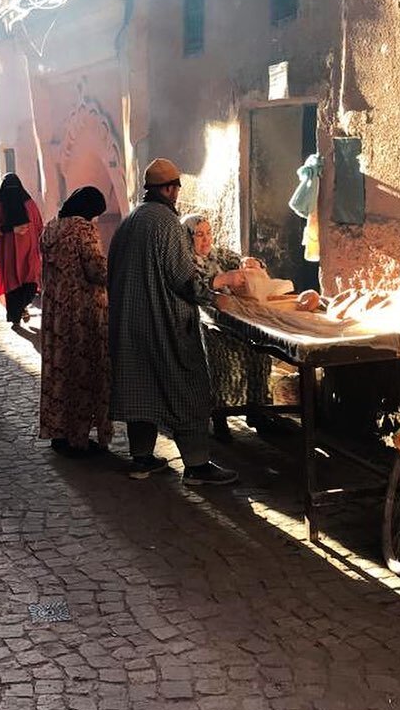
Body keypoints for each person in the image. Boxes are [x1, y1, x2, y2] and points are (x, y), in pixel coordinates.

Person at [107, 158, 238, 486]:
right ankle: (197, 466)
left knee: (141, 391)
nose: (177, 194)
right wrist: (213, 296)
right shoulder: (166, 222)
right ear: (169, 189)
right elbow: (182, 278)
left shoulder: (129, 221)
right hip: (164, 325)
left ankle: (142, 460)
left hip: (129, 326)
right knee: (188, 389)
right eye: (176, 188)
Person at [181, 214, 272, 443]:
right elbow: (193, 289)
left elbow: (240, 261)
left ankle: (257, 411)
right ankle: (220, 419)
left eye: (208, 233)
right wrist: (221, 281)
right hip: (206, 322)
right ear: (188, 237)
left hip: (233, 316)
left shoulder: (218, 254)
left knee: (259, 352)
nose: (205, 240)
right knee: (219, 360)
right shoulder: (183, 261)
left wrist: (251, 263)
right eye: (199, 235)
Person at [39, 186, 111, 458]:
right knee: (81, 371)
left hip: (55, 311)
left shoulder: (51, 228)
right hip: (81, 312)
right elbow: (95, 270)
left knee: (59, 371)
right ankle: (78, 436)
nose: (95, 220)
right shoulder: (84, 230)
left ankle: (59, 433)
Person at [0, 173, 44, 325]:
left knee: (26, 283)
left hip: (17, 253)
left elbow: (38, 225)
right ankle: (17, 314)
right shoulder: (27, 204)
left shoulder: (4, 205)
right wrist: (12, 229)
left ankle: (19, 310)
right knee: (20, 282)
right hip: (15, 252)